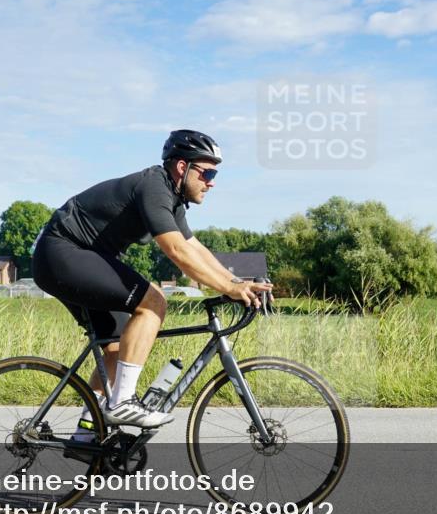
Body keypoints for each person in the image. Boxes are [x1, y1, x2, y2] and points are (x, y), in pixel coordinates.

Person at [32, 130, 273, 438]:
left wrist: (237, 282)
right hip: (63, 252)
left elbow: (195, 248)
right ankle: (122, 402)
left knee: (117, 348)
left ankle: (87, 434)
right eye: (207, 172)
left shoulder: (173, 201)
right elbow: (177, 252)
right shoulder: (154, 187)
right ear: (182, 167)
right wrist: (229, 289)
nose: (211, 182)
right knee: (154, 302)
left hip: (79, 258)